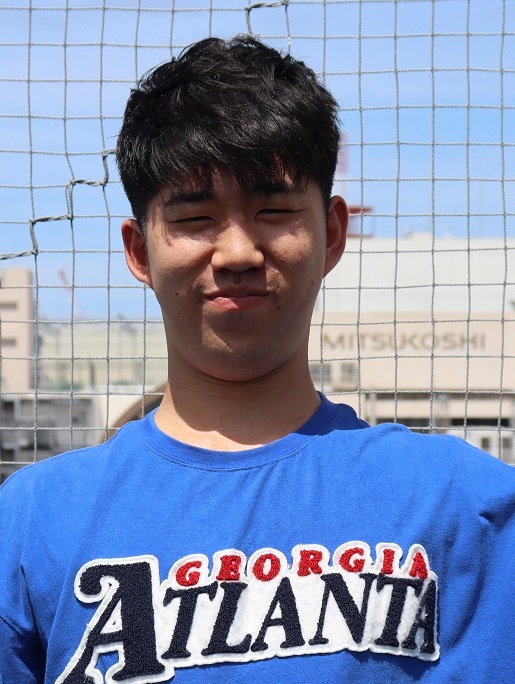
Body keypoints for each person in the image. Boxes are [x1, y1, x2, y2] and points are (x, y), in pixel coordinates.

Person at [1, 35, 514, 684]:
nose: (238, 252)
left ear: (332, 232)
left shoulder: (463, 506)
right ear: (139, 251)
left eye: (274, 211)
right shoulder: (31, 521)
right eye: (195, 218)